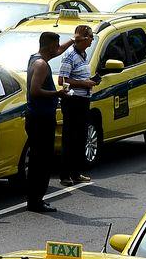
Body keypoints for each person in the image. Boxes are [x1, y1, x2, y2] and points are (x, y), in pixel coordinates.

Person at [26, 32, 73, 212]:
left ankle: (34, 199)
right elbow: (35, 90)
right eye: (56, 46)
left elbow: (59, 50)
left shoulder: (35, 58)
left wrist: (74, 40)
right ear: (50, 46)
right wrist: (58, 94)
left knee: (39, 160)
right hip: (40, 118)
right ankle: (35, 201)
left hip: (38, 116)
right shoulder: (41, 65)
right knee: (42, 161)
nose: (58, 49)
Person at [58, 25, 96, 187]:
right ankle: (65, 174)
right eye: (90, 37)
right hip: (73, 101)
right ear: (84, 38)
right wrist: (83, 83)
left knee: (81, 137)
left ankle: (76, 172)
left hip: (83, 100)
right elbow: (62, 80)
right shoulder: (69, 55)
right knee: (70, 138)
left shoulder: (83, 54)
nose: (92, 41)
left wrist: (89, 82)